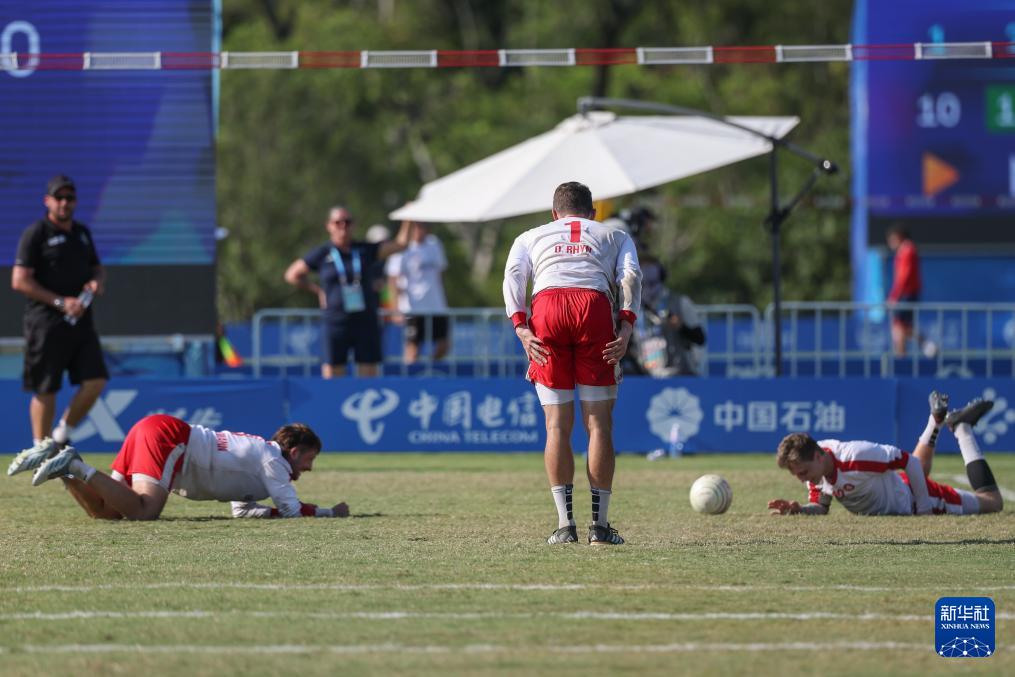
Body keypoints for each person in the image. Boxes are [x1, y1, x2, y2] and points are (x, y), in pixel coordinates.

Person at [503, 181, 642, 545]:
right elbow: (631, 277)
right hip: (591, 308)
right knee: (598, 425)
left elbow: (514, 277)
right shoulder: (615, 234)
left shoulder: (531, 235)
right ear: (593, 213)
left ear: (554, 214)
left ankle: (566, 527)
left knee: (556, 427)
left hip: (547, 308)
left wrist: (520, 327)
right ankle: (600, 527)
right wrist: (626, 327)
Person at [8, 414, 349, 521]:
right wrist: (331, 513)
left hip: (156, 431)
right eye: (310, 458)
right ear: (293, 451)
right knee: (145, 512)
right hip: (170, 437)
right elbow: (290, 509)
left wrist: (264, 512)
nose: (310, 468)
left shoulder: (265, 463)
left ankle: (63, 466)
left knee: (107, 513)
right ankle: (76, 466)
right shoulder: (273, 459)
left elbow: (243, 511)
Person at [769, 392, 1003, 516]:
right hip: (899, 488)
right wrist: (799, 509)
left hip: (912, 500)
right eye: (797, 475)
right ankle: (936, 420)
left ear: (819, 456)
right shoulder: (815, 469)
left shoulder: (855, 456)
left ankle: (963, 430)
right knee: (920, 470)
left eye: (804, 472)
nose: (802, 479)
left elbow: (907, 460)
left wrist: (923, 510)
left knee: (993, 503)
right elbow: (821, 507)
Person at [11, 175, 108, 449]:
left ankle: (62, 434)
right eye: (59, 198)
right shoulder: (36, 234)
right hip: (45, 323)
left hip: (81, 322)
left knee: (96, 380)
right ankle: (40, 449)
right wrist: (60, 302)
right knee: (46, 388)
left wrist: (97, 282)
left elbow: (97, 268)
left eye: (69, 198)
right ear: (48, 201)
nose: (64, 203)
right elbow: (19, 281)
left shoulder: (82, 233)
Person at [284, 207, 411, 377]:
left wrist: (409, 217)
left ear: (353, 225)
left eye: (347, 222)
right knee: (333, 378)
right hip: (336, 322)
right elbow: (292, 275)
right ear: (329, 226)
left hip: (365, 321)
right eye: (338, 223)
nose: (343, 226)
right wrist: (318, 291)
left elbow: (401, 245)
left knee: (368, 379)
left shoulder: (364, 250)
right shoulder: (322, 253)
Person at [386, 221, 451, 363]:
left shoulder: (435, 244)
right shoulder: (401, 250)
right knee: (412, 349)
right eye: (417, 226)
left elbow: (440, 275)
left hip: (436, 307)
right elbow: (392, 281)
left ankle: (428, 371)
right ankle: (410, 381)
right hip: (413, 309)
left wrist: (444, 300)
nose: (421, 230)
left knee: (444, 345)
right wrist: (394, 308)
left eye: (424, 226)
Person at [886, 225, 934, 357]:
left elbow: (903, 276)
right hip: (907, 293)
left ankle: (901, 358)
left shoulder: (907, 250)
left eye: (892, 239)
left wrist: (894, 296)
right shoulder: (906, 250)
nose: (890, 243)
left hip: (906, 294)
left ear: (899, 237)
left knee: (898, 326)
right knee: (903, 326)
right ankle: (926, 344)